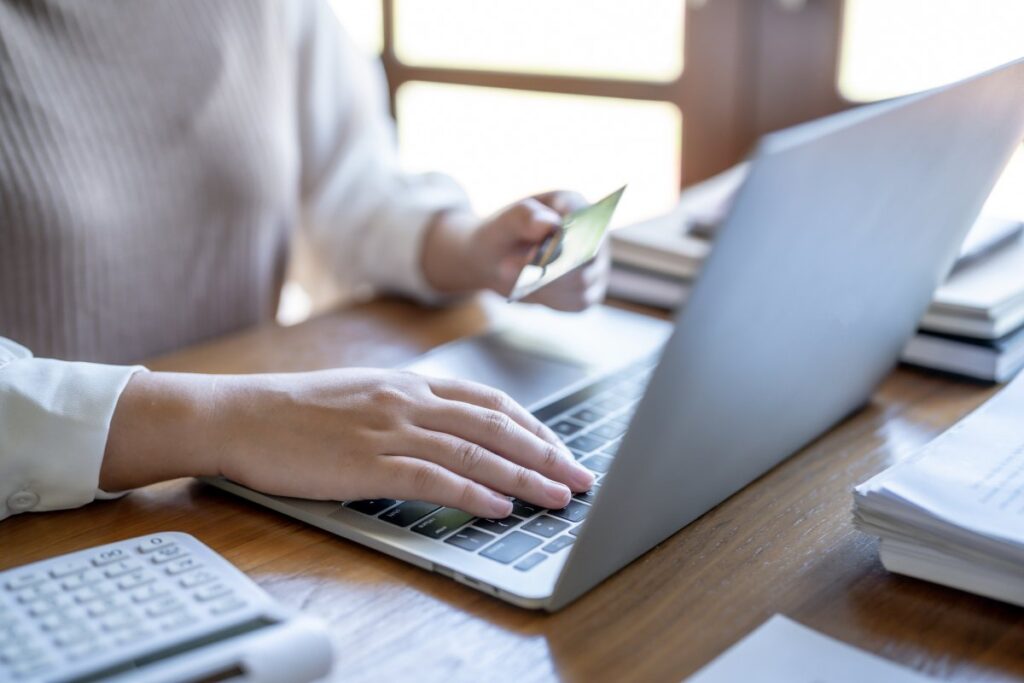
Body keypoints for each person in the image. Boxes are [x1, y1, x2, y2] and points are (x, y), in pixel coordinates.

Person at [0, 0, 604, 523]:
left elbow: (351, 195)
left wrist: (473, 249)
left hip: (214, 506)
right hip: (46, 527)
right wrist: (231, 422)